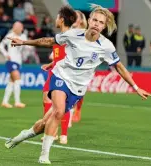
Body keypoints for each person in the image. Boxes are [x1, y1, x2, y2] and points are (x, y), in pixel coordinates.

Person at [5, 5, 151, 164]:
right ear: (89, 21)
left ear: (104, 26)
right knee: (59, 111)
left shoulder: (106, 47)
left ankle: (22, 136)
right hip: (61, 75)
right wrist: (24, 42)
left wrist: (136, 87)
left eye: (101, 22)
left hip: (77, 89)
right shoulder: (74, 34)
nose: (97, 24)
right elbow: (48, 41)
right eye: (95, 20)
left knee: (44, 124)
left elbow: (119, 67)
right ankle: (44, 155)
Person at [41, 10, 88, 145]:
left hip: (65, 73)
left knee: (62, 103)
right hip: (54, 70)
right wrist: (50, 64)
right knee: (46, 98)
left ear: (61, 20)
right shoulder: (59, 37)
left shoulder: (72, 37)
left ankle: (63, 134)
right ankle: (51, 132)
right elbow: (58, 56)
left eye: (56, 17)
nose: (55, 19)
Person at [0, 22, 27, 108]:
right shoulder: (10, 35)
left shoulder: (23, 37)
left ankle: (5, 101)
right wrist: (6, 54)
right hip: (10, 61)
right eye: (15, 26)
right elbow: (0, 45)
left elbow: (24, 49)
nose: (16, 28)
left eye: (18, 27)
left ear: (21, 28)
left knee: (11, 82)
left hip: (18, 62)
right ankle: (17, 101)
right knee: (17, 79)